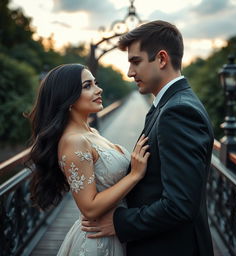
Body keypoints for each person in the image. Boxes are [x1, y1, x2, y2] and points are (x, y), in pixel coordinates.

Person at [81, 20, 215, 256]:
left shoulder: (178, 112)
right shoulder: (167, 105)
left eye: (135, 62)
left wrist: (120, 222)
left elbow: (180, 205)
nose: (129, 72)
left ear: (162, 59)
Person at [27, 63, 150, 255]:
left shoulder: (91, 132)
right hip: (98, 240)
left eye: (96, 83)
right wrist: (134, 175)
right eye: (87, 86)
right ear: (67, 98)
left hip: (116, 230)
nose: (98, 89)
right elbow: (90, 208)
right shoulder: (73, 141)